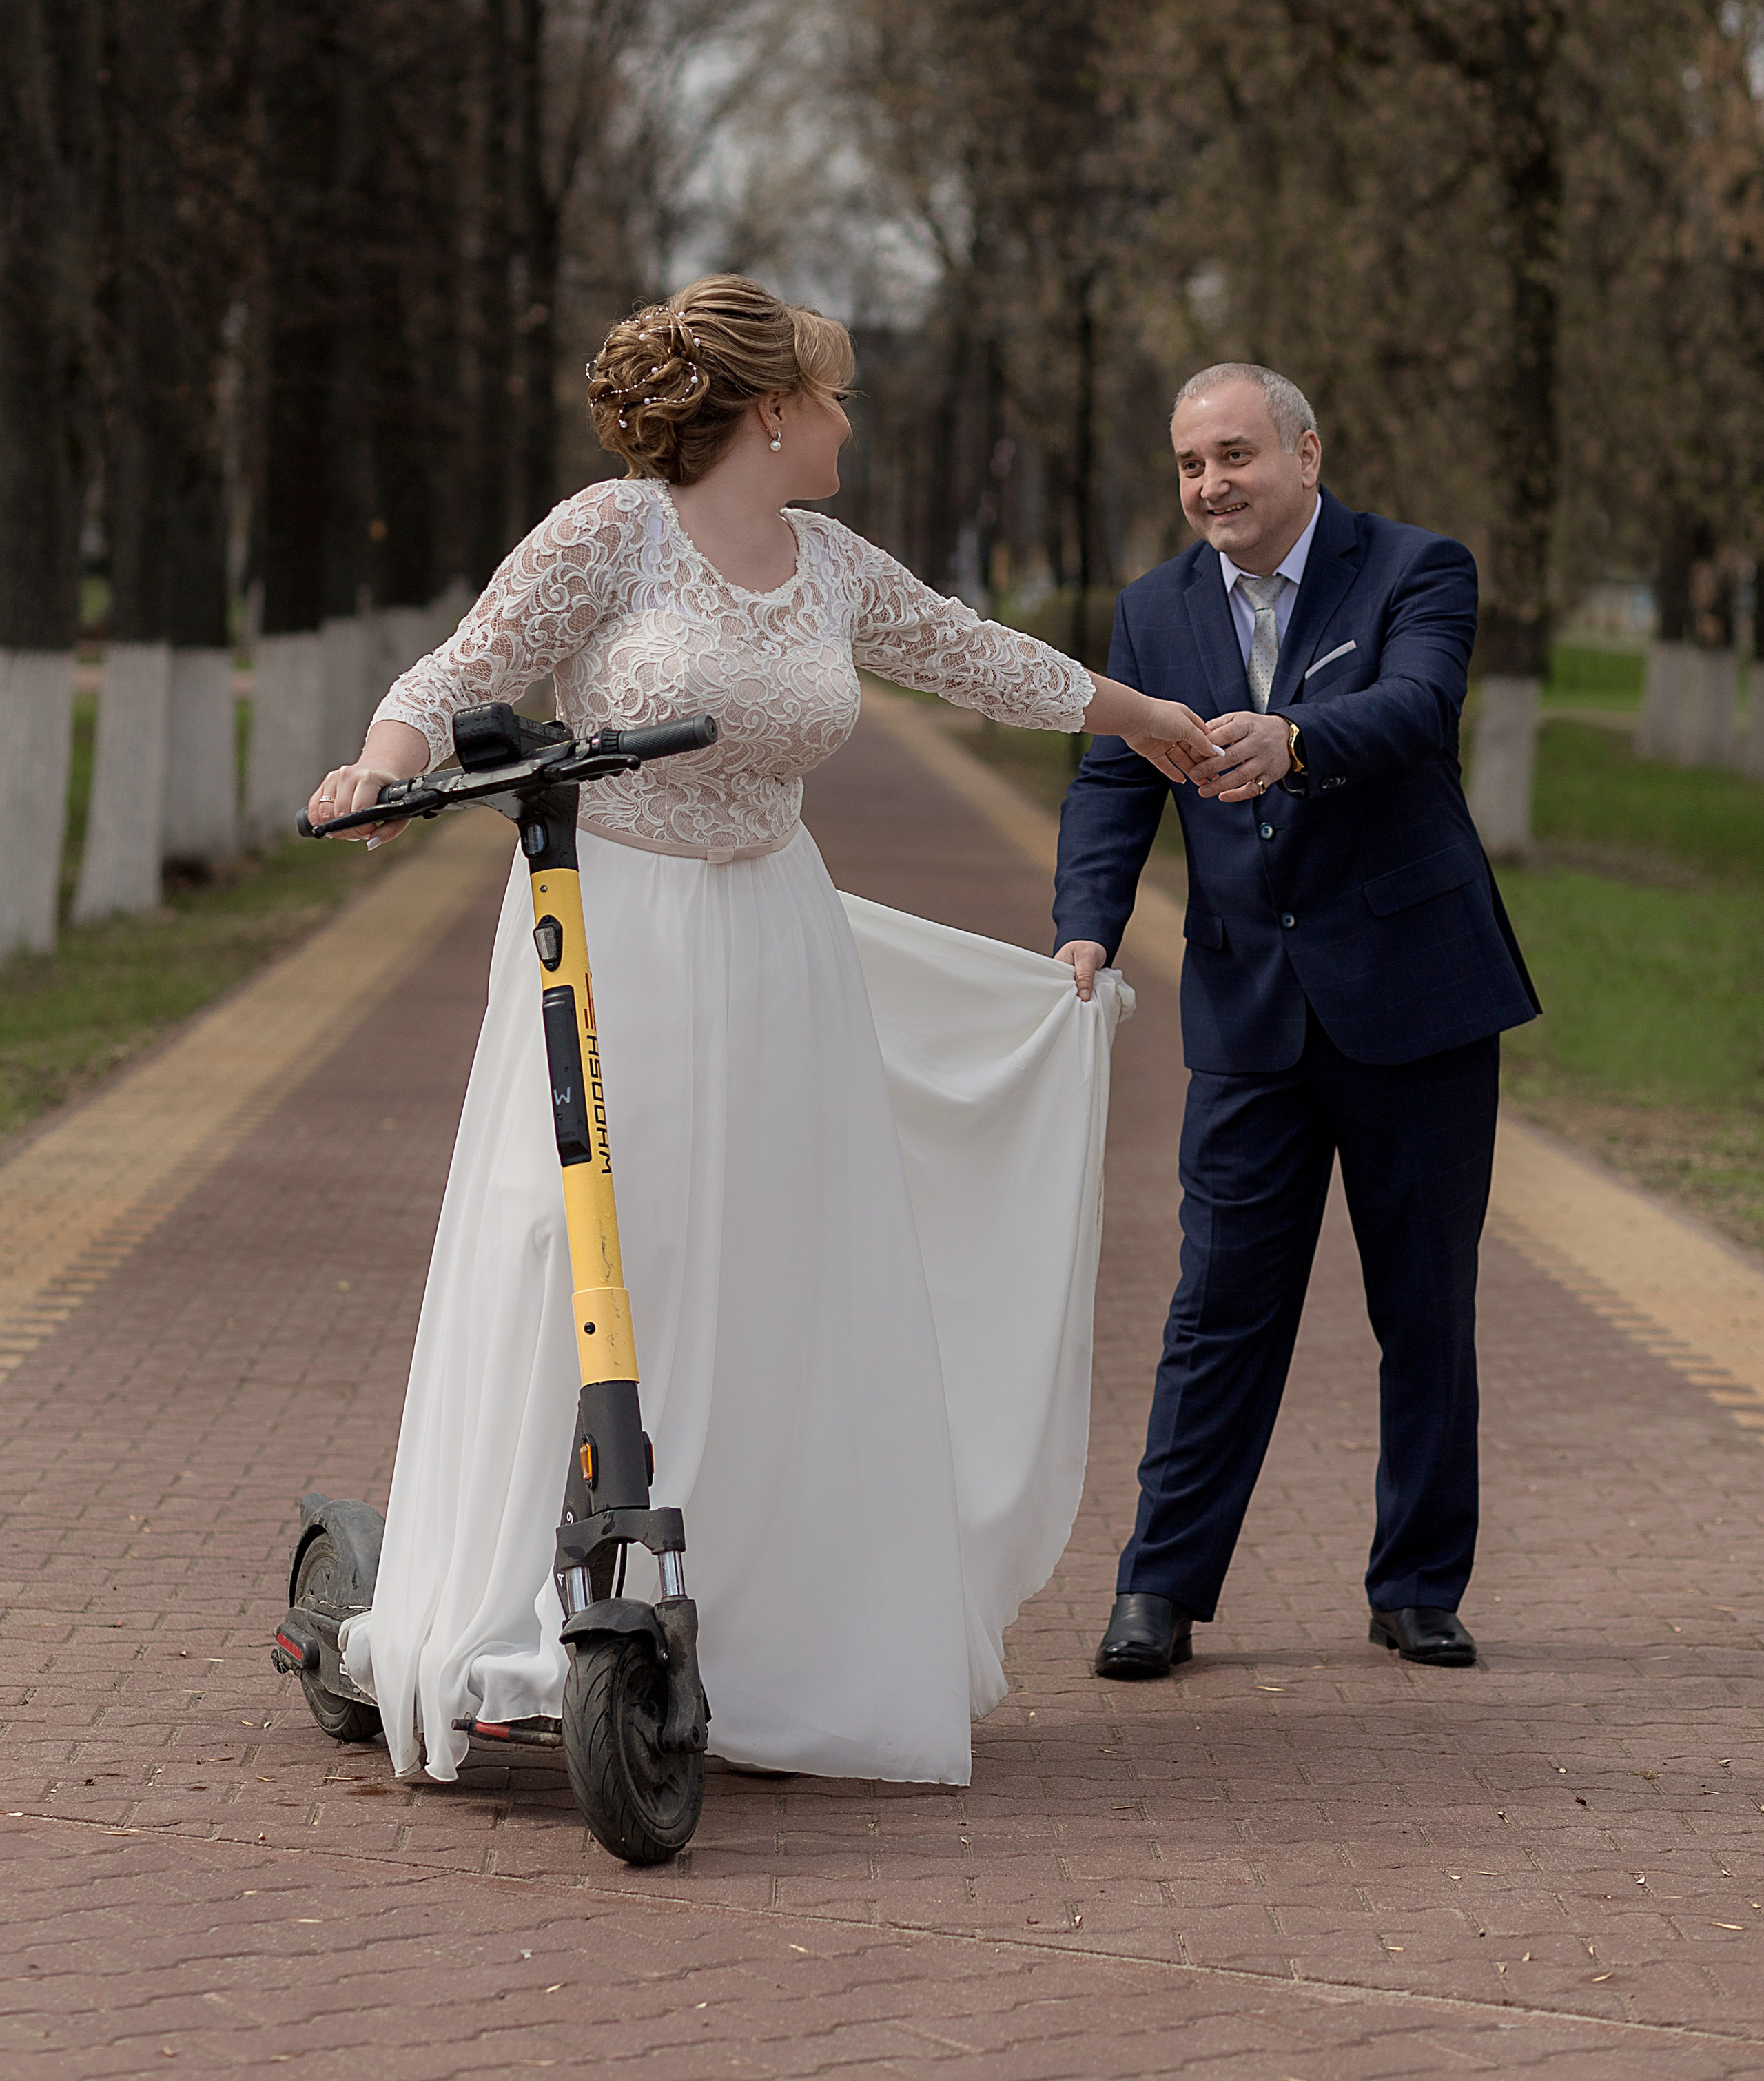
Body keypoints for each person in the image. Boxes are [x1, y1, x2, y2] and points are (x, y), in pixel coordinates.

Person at [307, 274, 1216, 1787]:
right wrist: (375, 768)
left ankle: (753, 1629)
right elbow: (455, 673)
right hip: (612, 927)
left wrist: (1148, 720)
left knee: (773, 1264)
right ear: (770, 411)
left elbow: (975, 655)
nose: (850, 419)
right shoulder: (608, 532)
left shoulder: (833, 564)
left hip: (780, 938)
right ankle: (535, 1614)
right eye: (836, 393)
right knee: (591, 1251)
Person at [1054, 362, 1539, 1679]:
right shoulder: (1153, 608)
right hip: (1250, 1015)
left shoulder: (1415, 568)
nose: (1211, 485)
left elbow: (1421, 706)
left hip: (1419, 1000)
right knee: (1218, 1310)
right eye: (1190, 464)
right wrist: (1086, 919)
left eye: (1236, 455)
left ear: (1307, 455)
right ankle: (1161, 1589)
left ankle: (1419, 1584)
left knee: (1425, 1306)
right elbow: (1111, 777)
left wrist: (1297, 739)